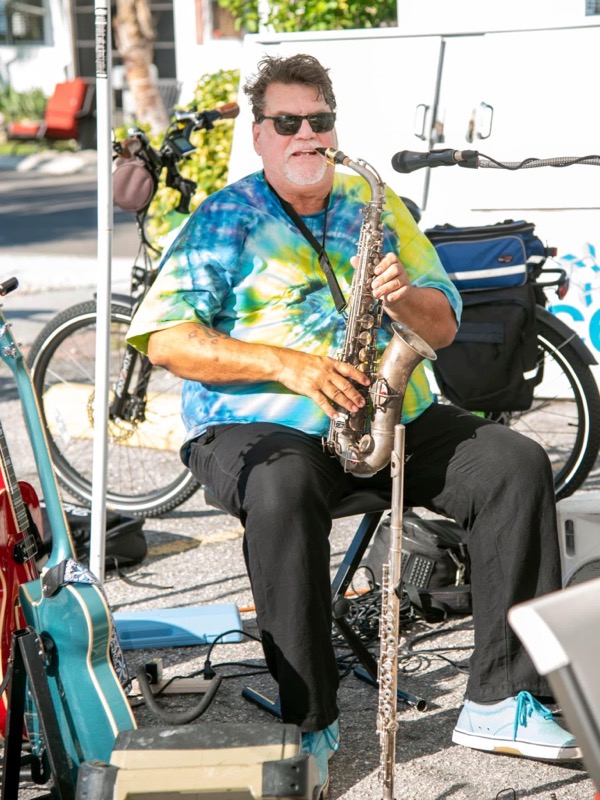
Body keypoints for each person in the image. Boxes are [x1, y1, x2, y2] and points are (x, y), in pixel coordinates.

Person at [127, 53, 579, 795]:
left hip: (385, 413)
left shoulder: (379, 207)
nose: (306, 134)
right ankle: (308, 721)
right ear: (260, 135)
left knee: (513, 463)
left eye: (319, 120)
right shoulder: (225, 218)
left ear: (335, 127)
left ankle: (500, 700)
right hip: (257, 426)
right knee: (280, 487)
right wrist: (290, 365)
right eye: (287, 122)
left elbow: (442, 324)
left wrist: (403, 299)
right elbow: (169, 339)